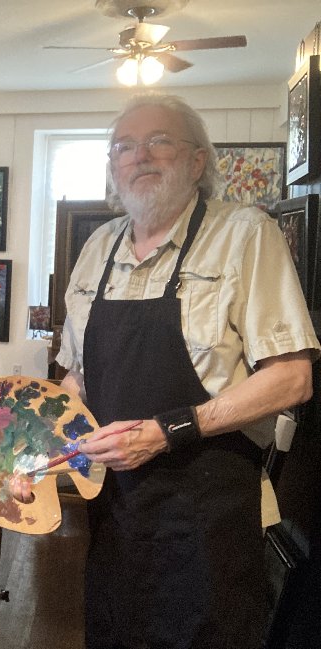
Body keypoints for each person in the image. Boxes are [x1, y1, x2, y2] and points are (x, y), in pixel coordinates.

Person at [56, 94, 320, 648]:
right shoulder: (98, 246)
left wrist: (166, 430)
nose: (140, 155)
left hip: (209, 516)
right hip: (115, 512)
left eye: (159, 141)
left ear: (198, 161)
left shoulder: (245, 234)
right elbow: (77, 378)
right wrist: (37, 444)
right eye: (124, 146)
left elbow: (292, 377)